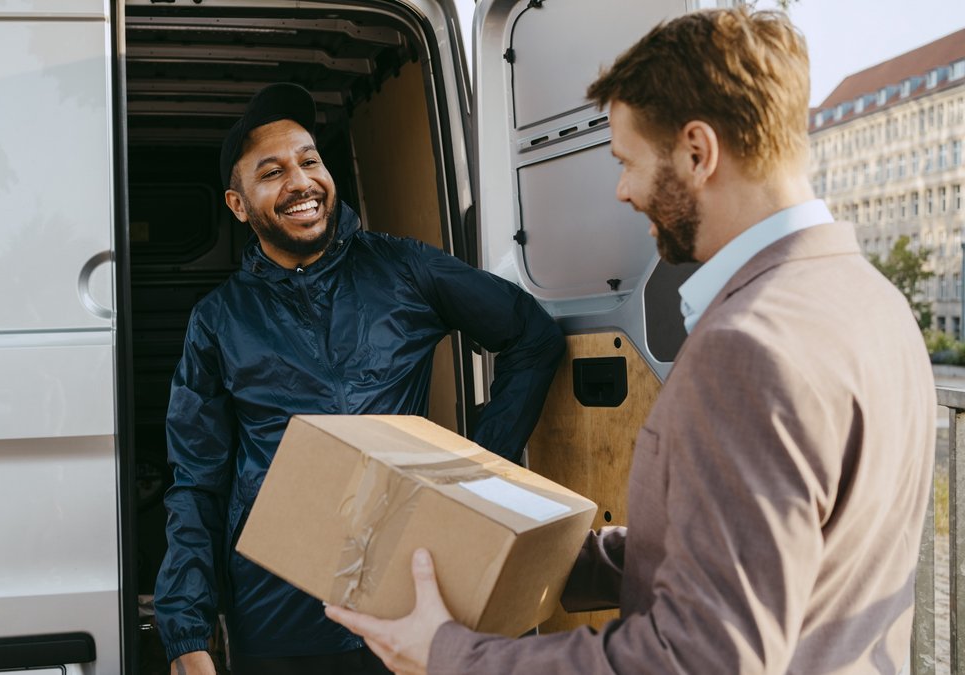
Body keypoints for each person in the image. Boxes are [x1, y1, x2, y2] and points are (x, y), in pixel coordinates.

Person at [326, 8, 936, 675]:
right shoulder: (874, 301)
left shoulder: (749, 349)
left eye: (627, 161)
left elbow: (696, 657)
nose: (622, 190)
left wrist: (449, 653)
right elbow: (743, 551)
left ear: (697, 152)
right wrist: (520, 551)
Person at [154, 83, 567, 675]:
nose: (300, 181)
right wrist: (187, 632)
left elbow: (533, 337)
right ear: (238, 204)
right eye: (271, 172)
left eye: (309, 160)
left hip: (408, 604)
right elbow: (196, 483)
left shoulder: (403, 268)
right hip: (277, 621)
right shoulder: (218, 321)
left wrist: (477, 473)